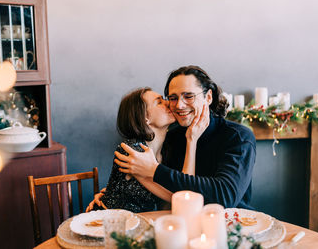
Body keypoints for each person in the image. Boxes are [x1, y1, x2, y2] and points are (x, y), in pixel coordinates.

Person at [114, 65, 256, 209]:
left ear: (208, 97)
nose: (179, 105)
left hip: (233, 224)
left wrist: (154, 170)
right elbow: (170, 193)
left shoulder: (238, 137)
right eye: (173, 98)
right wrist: (116, 193)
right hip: (182, 222)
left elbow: (224, 197)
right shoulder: (172, 137)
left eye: (188, 96)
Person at [86, 87, 209, 213]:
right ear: (145, 118)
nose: (169, 102)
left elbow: (184, 187)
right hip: (107, 224)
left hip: (140, 225)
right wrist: (192, 140)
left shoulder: (168, 149)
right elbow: (183, 196)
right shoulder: (131, 150)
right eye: (159, 102)